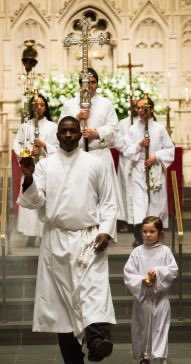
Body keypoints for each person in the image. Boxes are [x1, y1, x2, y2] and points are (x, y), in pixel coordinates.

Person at [17, 116, 117, 363]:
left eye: (73, 131)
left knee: (93, 293)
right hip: (56, 241)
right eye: (64, 131)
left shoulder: (95, 164)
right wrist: (28, 178)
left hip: (89, 239)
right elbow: (35, 202)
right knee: (62, 306)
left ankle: (96, 341)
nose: (69, 135)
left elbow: (108, 201)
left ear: (81, 133)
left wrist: (105, 230)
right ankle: (75, 357)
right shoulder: (45, 166)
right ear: (58, 135)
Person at [59, 67, 125, 223]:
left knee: (103, 194)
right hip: (77, 155)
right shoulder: (70, 104)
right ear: (79, 84)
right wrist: (77, 117)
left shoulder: (106, 104)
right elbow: (60, 128)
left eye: (93, 82)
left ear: (97, 84)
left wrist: (97, 133)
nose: (89, 85)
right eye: (85, 82)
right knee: (80, 193)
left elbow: (114, 128)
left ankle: (104, 227)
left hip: (100, 153)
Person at [124, 216, 178, 364]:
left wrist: (158, 272)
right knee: (142, 330)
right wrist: (142, 280)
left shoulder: (165, 251)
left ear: (159, 233)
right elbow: (128, 273)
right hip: (143, 299)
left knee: (160, 330)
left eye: (152, 231)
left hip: (160, 299)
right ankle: (145, 357)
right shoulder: (137, 252)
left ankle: (161, 358)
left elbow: (173, 270)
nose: (148, 235)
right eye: (145, 231)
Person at [121, 96, 175, 246]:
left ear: (151, 109)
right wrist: (139, 145)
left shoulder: (159, 128)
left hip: (155, 171)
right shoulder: (132, 129)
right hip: (138, 169)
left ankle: (155, 234)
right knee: (139, 202)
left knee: (155, 202)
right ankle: (140, 236)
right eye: (138, 108)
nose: (140, 111)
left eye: (144, 108)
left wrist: (156, 156)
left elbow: (170, 150)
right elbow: (126, 150)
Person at [13, 93, 58, 246]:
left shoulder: (53, 127)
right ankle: (31, 234)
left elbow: (59, 148)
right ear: (31, 107)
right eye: (35, 104)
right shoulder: (25, 127)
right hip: (30, 169)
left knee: (44, 200)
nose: (38, 107)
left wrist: (44, 146)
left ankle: (43, 233)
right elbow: (16, 146)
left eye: (41, 104)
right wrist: (28, 153)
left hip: (46, 168)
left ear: (45, 108)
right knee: (30, 200)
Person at [114, 99, 139, 232]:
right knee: (125, 190)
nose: (136, 108)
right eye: (134, 106)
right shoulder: (122, 123)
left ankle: (139, 222)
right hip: (126, 161)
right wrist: (129, 151)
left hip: (139, 160)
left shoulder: (144, 123)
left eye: (138, 106)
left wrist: (137, 150)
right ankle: (126, 221)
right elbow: (117, 141)